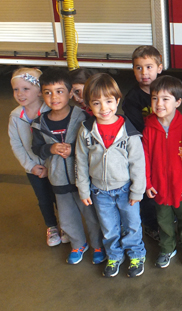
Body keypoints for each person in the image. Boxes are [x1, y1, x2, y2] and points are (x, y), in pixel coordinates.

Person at [75, 73, 147, 278]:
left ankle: (136, 254)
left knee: (132, 225)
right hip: (99, 191)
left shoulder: (129, 132)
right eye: (96, 103)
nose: (104, 108)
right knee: (108, 227)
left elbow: (138, 163)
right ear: (89, 104)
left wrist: (137, 191)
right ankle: (114, 255)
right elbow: (80, 161)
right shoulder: (86, 131)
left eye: (108, 101)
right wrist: (83, 188)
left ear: (117, 101)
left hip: (126, 190)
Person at [31, 68, 104, 265]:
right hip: (58, 181)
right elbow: (37, 148)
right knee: (67, 217)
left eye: (60, 91)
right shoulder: (39, 124)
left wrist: (73, 149)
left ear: (70, 93)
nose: (54, 97)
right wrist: (51, 148)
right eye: (48, 92)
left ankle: (97, 244)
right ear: (41, 94)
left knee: (91, 215)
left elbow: (94, 143)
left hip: (83, 179)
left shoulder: (82, 117)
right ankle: (78, 244)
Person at [142, 76, 182, 268]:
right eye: (154, 98)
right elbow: (145, 158)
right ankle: (167, 247)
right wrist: (148, 183)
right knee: (164, 222)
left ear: (178, 102)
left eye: (165, 99)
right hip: (159, 188)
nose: (159, 104)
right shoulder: (149, 128)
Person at [8, 67, 64, 246]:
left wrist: (51, 164)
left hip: (54, 165)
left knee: (60, 196)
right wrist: (31, 166)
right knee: (44, 199)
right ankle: (52, 226)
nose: (20, 94)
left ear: (39, 91)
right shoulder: (16, 116)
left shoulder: (50, 111)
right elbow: (16, 144)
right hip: (34, 168)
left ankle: (65, 224)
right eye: (16, 89)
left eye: (26, 89)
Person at [122, 45, 163, 241]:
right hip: (144, 151)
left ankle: (164, 218)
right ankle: (150, 224)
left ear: (159, 68)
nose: (144, 73)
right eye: (138, 68)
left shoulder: (166, 92)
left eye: (149, 67)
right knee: (146, 188)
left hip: (164, 148)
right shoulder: (132, 99)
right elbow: (137, 131)